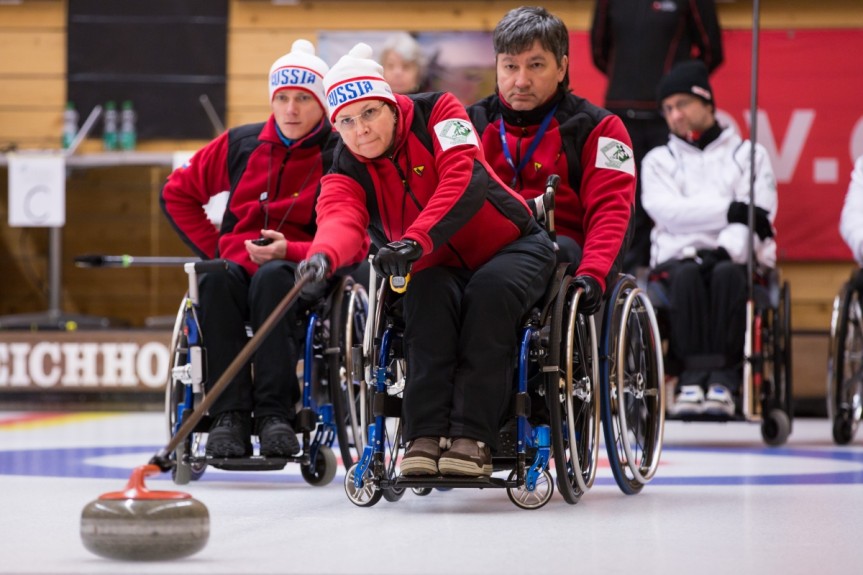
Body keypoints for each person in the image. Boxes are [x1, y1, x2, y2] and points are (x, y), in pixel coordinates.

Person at [296, 42, 556, 478]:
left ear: (390, 105)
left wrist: (416, 239)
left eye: (369, 113)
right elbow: (339, 216)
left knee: (488, 293)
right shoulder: (345, 164)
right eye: (346, 121)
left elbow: (464, 176)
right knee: (423, 301)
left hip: (511, 246)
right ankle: (424, 436)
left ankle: (473, 437)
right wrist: (322, 256)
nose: (360, 130)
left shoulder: (438, 110)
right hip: (434, 265)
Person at [161, 40, 345, 458]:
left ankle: (274, 414)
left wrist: (292, 251)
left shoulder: (338, 151)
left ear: (322, 104)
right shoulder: (241, 143)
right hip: (238, 267)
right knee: (213, 277)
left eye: (303, 98)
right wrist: (217, 248)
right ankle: (229, 415)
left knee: (273, 278)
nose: (291, 109)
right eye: (282, 98)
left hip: (301, 267)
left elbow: (347, 226)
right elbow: (177, 193)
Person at [467, 6, 636, 317]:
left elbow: (612, 211)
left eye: (536, 65)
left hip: (561, 251)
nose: (521, 81)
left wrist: (594, 273)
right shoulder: (468, 125)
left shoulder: (601, 128)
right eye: (510, 66)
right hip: (483, 247)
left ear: (561, 67)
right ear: (497, 66)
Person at [641, 60, 777, 417]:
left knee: (727, 275)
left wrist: (724, 247)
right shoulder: (658, 161)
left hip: (734, 260)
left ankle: (724, 382)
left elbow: (758, 218)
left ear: (707, 103)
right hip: (677, 260)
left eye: (682, 104)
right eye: (668, 109)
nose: (675, 115)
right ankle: (689, 379)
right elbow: (668, 213)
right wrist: (731, 210)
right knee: (687, 275)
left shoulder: (749, 155)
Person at [590, 0, 724, 275]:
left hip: (668, 120)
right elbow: (599, 51)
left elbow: (712, 51)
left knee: (673, 200)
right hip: (619, 118)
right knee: (618, 203)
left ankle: (671, 276)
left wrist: (676, 91)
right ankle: (617, 281)